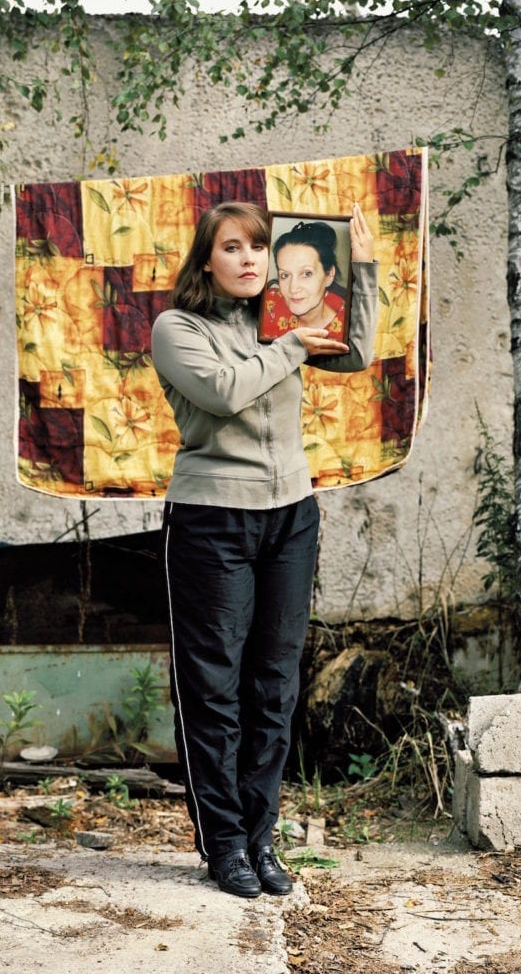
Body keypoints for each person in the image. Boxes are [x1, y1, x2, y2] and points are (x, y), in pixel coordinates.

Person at [151, 201, 377, 899]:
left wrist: (362, 272)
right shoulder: (177, 328)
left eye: (259, 245)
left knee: (274, 686)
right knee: (213, 690)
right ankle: (222, 844)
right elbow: (225, 393)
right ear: (206, 259)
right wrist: (293, 345)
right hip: (211, 520)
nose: (250, 258)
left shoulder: (281, 320)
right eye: (232, 246)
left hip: (290, 516)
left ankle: (260, 838)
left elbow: (359, 353)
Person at [260, 220, 348, 342]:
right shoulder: (270, 303)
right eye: (285, 275)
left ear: (328, 275)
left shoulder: (348, 331)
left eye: (306, 274)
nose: (293, 288)